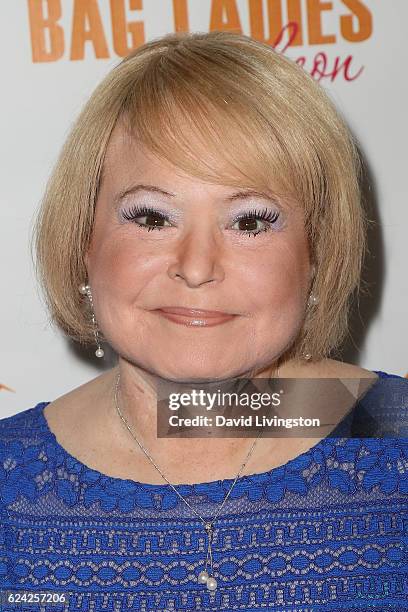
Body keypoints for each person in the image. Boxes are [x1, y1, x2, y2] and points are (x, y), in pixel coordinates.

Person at [0, 30, 406, 612]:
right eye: (151, 215)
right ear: (83, 241)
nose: (196, 267)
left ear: (317, 254)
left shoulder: (397, 434)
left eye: (249, 223)